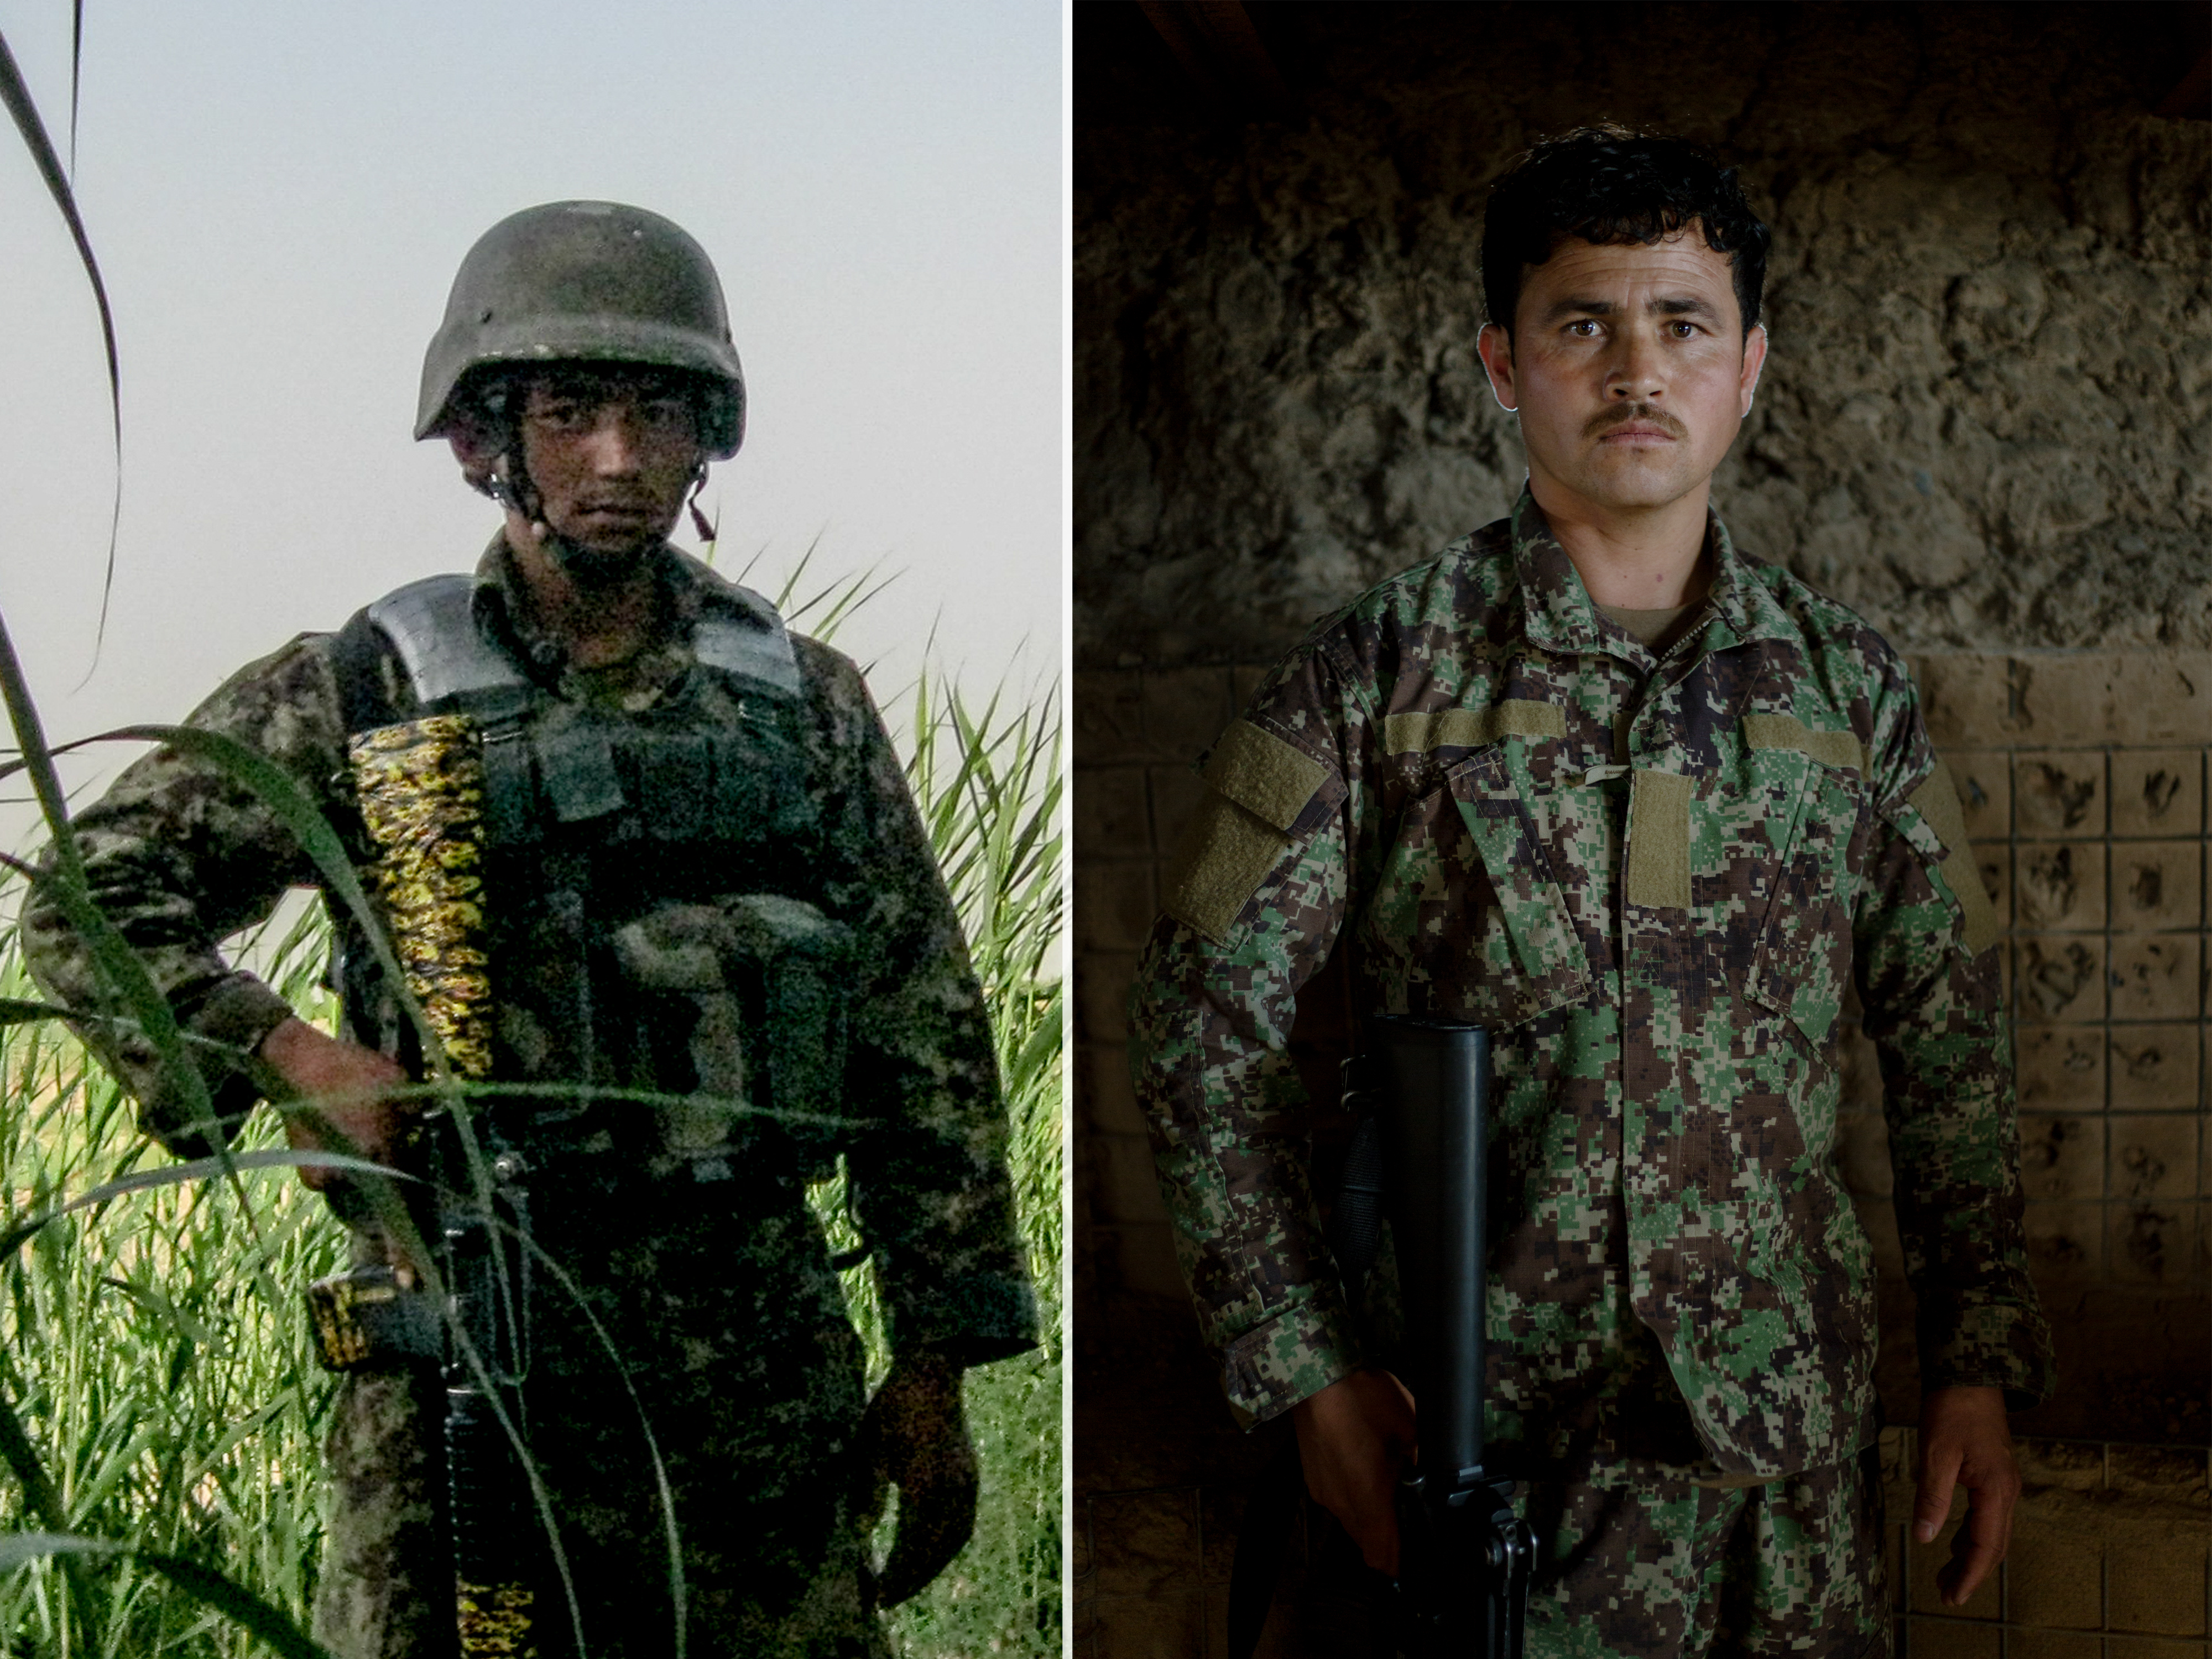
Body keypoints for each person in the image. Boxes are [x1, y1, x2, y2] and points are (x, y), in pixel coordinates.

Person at [24, 200, 1037, 1658]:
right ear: (480, 439)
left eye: (658, 413)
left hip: (754, 1386)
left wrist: (935, 1365)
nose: (619, 459)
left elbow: (918, 1024)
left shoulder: (801, 704)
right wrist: (291, 1052)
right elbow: (87, 893)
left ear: (710, 439)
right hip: (478, 1372)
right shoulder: (371, 686)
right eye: (572, 413)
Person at [1126, 128, 2053, 1656]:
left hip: (1787, 1472)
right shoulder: (1380, 676)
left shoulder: (1850, 690)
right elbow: (1196, 1021)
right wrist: (1309, 1376)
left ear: (1748, 364)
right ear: (1504, 364)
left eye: (1683, 324)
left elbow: (1951, 1040)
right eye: (1584, 325)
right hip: (1493, 1472)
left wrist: (1979, 1365)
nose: (1638, 370)